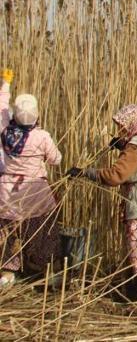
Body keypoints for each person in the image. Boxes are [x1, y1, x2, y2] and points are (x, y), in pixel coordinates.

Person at [68, 104, 137, 305]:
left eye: (122, 125)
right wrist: (123, 146)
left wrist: (87, 173)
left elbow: (117, 175)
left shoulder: (136, 145)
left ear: (131, 122)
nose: (121, 129)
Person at [0, 68, 62, 287]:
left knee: (8, 233)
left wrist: (6, 84)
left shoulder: (5, 132)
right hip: (35, 193)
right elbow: (56, 159)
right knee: (43, 230)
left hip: (7, 191)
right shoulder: (41, 136)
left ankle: (7, 275)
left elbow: (1, 109)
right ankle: (48, 271)